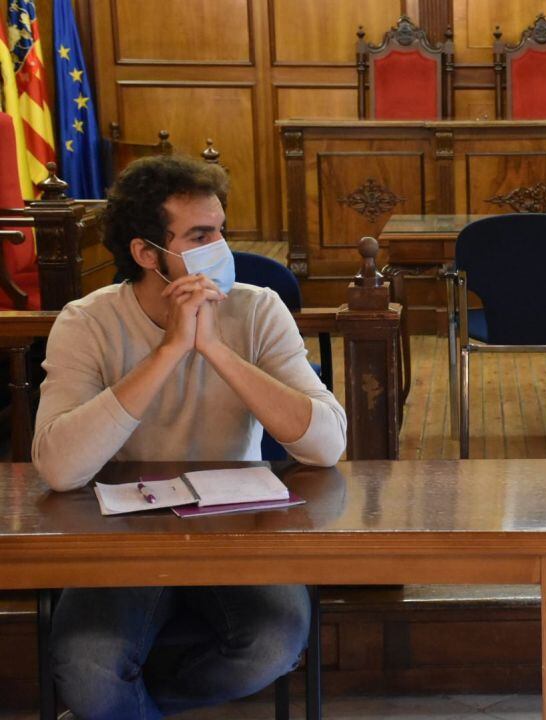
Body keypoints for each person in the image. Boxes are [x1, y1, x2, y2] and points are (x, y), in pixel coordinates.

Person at [32, 154, 347, 719]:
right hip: (122, 532)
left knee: (271, 647)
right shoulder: (87, 322)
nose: (221, 246)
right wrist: (170, 350)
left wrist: (215, 350)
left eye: (221, 229)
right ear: (147, 253)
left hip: (238, 527)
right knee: (87, 668)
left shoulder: (258, 308)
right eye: (201, 235)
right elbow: (59, 468)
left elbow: (325, 445)